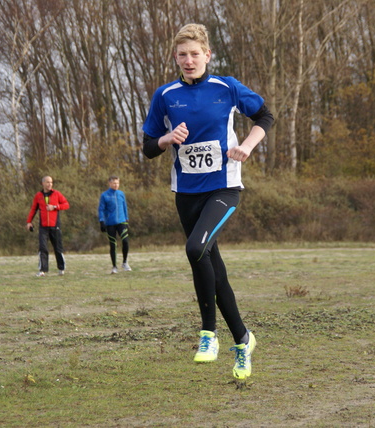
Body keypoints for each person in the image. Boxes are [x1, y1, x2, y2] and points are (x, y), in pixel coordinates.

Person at [142, 23, 274, 380]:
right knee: (209, 263)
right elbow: (148, 147)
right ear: (175, 56)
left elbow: (265, 116)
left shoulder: (226, 87)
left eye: (194, 54)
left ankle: (208, 334)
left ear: (207, 55)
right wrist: (167, 138)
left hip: (224, 186)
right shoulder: (165, 95)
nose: (188, 60)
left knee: (194, 247)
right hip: (186, 193)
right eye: (182, 54)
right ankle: (244, 340)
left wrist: (246, 146)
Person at [26, 176, 70, 276]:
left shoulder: (57, 194)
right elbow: (33, 209)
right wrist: (29, 222)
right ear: (43, 183)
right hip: (43, 226)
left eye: (51, 182)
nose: (49, 184)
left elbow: (66, 205)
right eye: (47, 182)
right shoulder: (38, 195)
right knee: (43, 248)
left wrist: (55, 207)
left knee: (58, 248)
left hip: (55, 225)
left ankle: (61, 268)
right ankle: (42, 270)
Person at [98, 175, 132, 274]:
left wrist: (127, 219)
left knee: (125, 241)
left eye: (117, 183)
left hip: (122, 221)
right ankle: (114, 266)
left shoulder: (121, 194)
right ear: (110, 183)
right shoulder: (104, 195)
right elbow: (101, 209)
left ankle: (125, 262)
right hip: (110, 223)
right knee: (113, 244)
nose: (116, 185)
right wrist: (101, 221)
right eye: (114, 183)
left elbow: (125, 207)